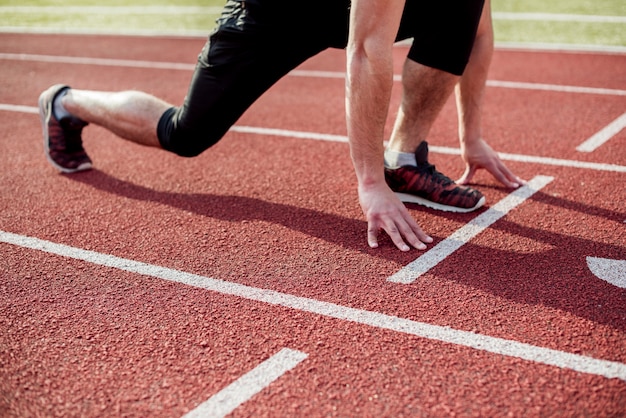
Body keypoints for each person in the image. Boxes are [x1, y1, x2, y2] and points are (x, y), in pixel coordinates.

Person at [39, 0, 521, 252]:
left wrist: (471, 136)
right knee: (187, 133)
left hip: (340, 7)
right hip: (276, 13)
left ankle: (406, 157)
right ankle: (66, 103)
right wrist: (369, 184)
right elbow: (366, 50)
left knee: (462, 2)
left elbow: (477, 27)